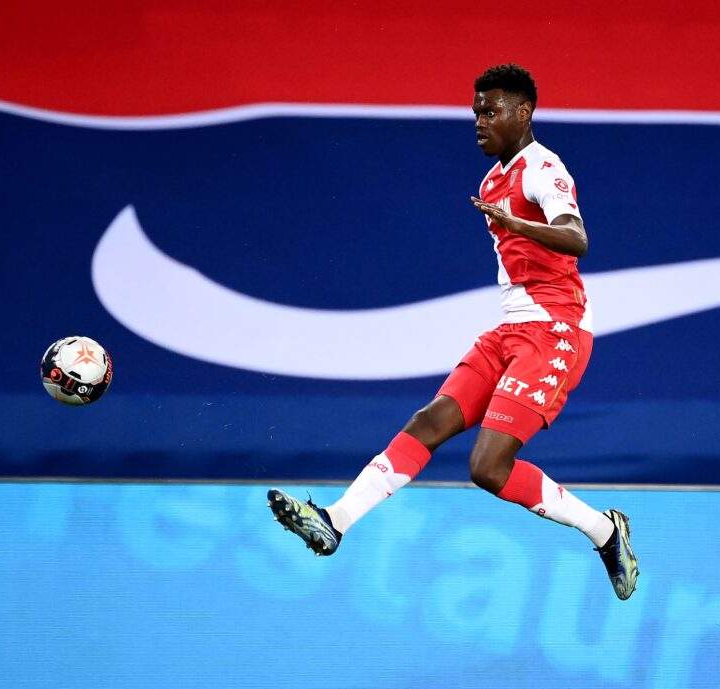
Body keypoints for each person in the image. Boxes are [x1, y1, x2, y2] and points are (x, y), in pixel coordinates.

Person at [267, 64, 639, 600]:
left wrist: (518, 223)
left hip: (555, 332)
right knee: (430, 421)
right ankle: (335, 521)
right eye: (476, 112)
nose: (480, 122)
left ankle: (604, 531)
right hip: (510, 330)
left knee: (487, 467)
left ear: (524, 113)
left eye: (491, 111)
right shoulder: (491, 181)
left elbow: (576, 238)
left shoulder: (543, 167)